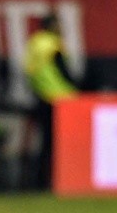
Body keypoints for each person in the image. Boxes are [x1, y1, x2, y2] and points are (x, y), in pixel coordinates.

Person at [23, 13, 78, 189]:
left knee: (44, 143)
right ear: (52, 26)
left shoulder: (34, 44)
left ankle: (38, 181)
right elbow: (64, 73)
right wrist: (79, 87)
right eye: (59, 24)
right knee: (57, 144)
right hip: (60, 100)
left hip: (40, 97)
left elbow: (30, 71)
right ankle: (57, 180)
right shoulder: (53, 45)